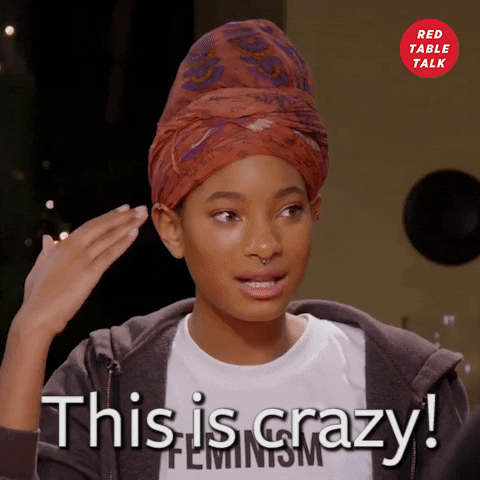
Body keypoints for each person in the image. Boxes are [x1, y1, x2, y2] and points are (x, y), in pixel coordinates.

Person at [0, 19, 469, 480]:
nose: (265, 245)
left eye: (289, 211)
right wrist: (29, 334)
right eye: (228, 215)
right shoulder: (106, 383)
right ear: (171, 229)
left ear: (315, 213)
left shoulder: (407, 382)